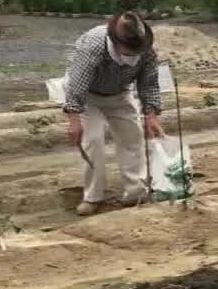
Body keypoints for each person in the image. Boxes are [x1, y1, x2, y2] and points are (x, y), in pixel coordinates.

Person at [62, 12, 166, 216]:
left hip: (119, 94)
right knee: (92, 141)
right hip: (88, 97)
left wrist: (151, 115)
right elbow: (76, 86)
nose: (133, 54)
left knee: (133, 138)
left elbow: (149, 82)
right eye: (128, 51)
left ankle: (135, 192)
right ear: (114, 41)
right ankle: (92, 197)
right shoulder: (94, 45)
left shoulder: (144, 47)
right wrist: (74, 120)